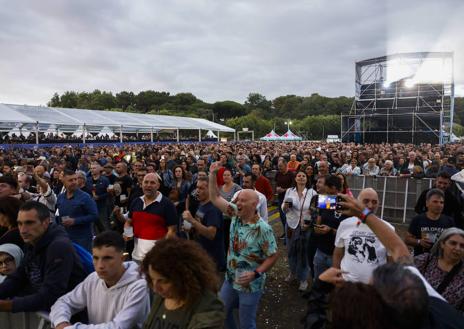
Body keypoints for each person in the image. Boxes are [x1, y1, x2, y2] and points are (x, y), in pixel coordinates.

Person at [209, 162, 278, 329]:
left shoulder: (263, 229)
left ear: (254, 205)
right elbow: (215, 198)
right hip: (231, 279)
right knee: (221, 312)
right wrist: (212, 175)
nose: (237, 202)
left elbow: (273, 255)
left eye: (243, 200)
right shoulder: (235, 214)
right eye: (237, 199)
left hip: (250, 284)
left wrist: (256, 273)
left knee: (247, 323)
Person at [50, 231, 150, 329]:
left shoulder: (139, 286)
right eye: (96, 258)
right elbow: (64, 302)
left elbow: (118, 327)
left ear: (122, 258)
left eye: (107, 258)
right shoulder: (93, 278)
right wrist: (61, 322)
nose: (100, 265)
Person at [0, 201, 87, 312]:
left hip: (69, 317)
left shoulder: (58, 247)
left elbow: (50, 294)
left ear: (45, 222)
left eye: (29, 223)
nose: (22, 230)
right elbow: (19, 276)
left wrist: (7, 306)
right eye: (20, 223)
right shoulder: (33, 241)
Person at [141, 238, 225, 329]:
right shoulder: (163, 297)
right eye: (152, 279)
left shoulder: (208, 306)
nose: (155, 289)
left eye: (164, 281)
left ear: (184, 278)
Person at [333, 188, 394, 283]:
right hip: (348, 285)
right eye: (366, 201)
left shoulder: (387, 228)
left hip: (375, 288)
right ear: (357, 202)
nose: (370, 205)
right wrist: (336, 278)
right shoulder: (345, 224)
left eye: (374, 202)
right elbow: (338, 254)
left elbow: (391, 260)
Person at [122, 173, 177, 263]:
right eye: (146, 182)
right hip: (137, 257)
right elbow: (129, 221)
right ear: (141, 184)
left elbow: (172, 231)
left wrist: (162, 251)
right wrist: (127, 232)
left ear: (158, 186)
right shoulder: (136, 201)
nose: (148, 185)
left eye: (152, 183)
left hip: (156, 258)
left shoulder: (167, 204)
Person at [282, 170, 317, 290]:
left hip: (305, 226)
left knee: (303, 252)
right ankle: (292, 272)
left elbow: (316, 210)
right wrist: (285, 207)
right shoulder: (289, 191)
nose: (301, 178)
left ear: (307, 179)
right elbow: (284, 208)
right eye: (299, 176)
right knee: (291, 250)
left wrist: (310, 221)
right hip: (291, 225)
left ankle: (303, 278)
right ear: (295, 178)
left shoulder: (312, 192)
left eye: (303, 176)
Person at [414, 228, 464, 312]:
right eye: (453, 243)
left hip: (445, 322)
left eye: (462, 245)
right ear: (442, 244)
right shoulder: (424, 261)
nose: (458, 248)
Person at [182, 176, 226, 271]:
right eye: (197, 187)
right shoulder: (201, 204)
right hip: (202, 255)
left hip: (212, 260)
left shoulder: (213, 208)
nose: (197, 191)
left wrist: (192, 220)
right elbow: (201, 224)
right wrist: (191, 227)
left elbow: (211, 234)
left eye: (201, 188)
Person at [312, 175, 347, 279]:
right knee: (318, 281)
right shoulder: (325, 200)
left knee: (335, 284)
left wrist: (331, 230)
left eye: (326, 186)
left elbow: (348, 232)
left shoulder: (346, 204)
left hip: (337, 253)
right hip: (321, 250)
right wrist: (317, 228)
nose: (324, 189)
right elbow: (320, 219)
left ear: (334, 188)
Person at [56, 169, 99, 251]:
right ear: (64, 182)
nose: (74, 182)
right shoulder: (60, 197)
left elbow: (94, 215)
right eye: (70, 180)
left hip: (82, 240)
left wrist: (75, 221)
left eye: (75, 179)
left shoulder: (85, 197)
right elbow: (59, 216)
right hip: (66, 238)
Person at [406, 188, 456, 256]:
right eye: (435, 202)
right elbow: (407, 239)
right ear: (427, 203)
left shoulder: (449, 221)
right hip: (421, 260)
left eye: (441, 202)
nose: (439, 205)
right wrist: (419, 242)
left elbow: (455, 241)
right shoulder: (417, 219)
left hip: (441, 260)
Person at [86, 161, 110, 232]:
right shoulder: (88, 180)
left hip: (102, 206)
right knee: (91, 226)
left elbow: (109, 193)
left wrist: (99, 197)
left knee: (103, 224)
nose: (92, 170)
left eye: (94, 168)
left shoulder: (105, 180)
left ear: (99, 169)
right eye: (91, 168)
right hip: (90, 206)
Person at [275, 160, 295, 237]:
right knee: (282, 216)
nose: (279, 168)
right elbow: (276, 183)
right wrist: (277, 189)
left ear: (286, 165)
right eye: (278, 166)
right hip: (280, 197)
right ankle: (285, 231)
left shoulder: (291, 174)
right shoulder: (278, 173)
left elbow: (293, 187)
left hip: (289, 198)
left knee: (288, 216)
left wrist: (284, 190)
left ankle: (290, 232)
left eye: (280, 166)